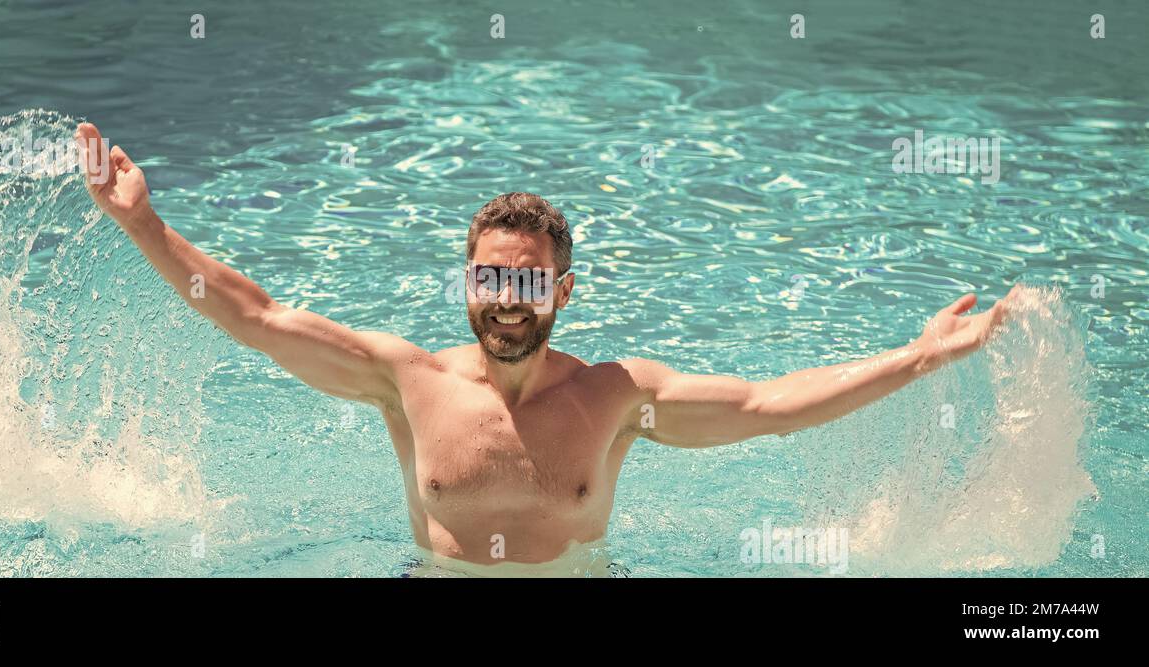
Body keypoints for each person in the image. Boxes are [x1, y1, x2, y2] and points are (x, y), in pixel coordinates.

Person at [75, 122, 1020, 568]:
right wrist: (143, 227)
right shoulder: (406, 381)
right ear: (470, 282)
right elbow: (259, 314)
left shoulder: (615, 397)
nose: (506, 302)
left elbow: (773, 404)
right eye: (490, 280)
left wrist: (924, 354)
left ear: (559, 291)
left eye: (527, 282)